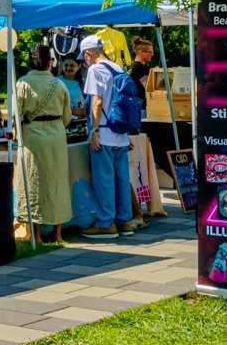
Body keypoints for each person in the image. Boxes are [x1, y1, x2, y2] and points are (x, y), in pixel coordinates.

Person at [12, 43, 73, 243]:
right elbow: (67, 116)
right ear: (50, 62)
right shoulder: (60, 84)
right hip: (56, 135)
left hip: (32, 137)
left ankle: (36, 235)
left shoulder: (22, 83)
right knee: (57, 183)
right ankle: (57, 232)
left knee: (34, 182)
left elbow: (16, 115)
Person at [81, 35, 139, 236]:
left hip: (104, 132)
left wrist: (94, 131)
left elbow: (97, 102)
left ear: (89, 53)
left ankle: (106, 223)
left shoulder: (95, 70)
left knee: (104, 179)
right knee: (122, 178)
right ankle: (125, 221)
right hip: (120, 132)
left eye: (84, 56)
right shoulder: (118, 68)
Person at [128, 36, 171, 219]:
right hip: (141, 111)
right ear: (140, 52)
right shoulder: (141, 69)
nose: (152, 55)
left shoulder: (140, 68)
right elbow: (149, 89)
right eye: (149, 52)